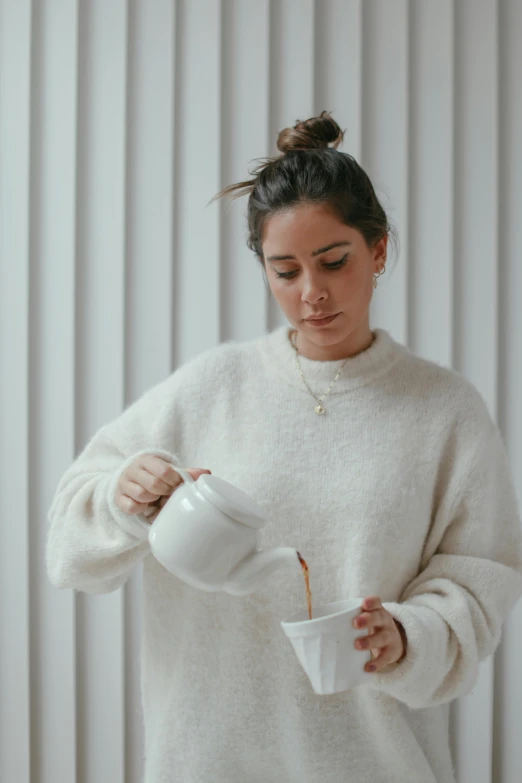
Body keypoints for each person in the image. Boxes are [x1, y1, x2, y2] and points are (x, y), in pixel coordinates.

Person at [46, 111, 522, 783]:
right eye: (284, 270)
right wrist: (124, 491)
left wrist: (409, 633)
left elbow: (480, 582)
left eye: (334, 261)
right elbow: (69, 543)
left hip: (376, 765)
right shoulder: (212, 386)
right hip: (206, 763)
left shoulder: (447, 412)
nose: (311, 294)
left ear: (379, 249)